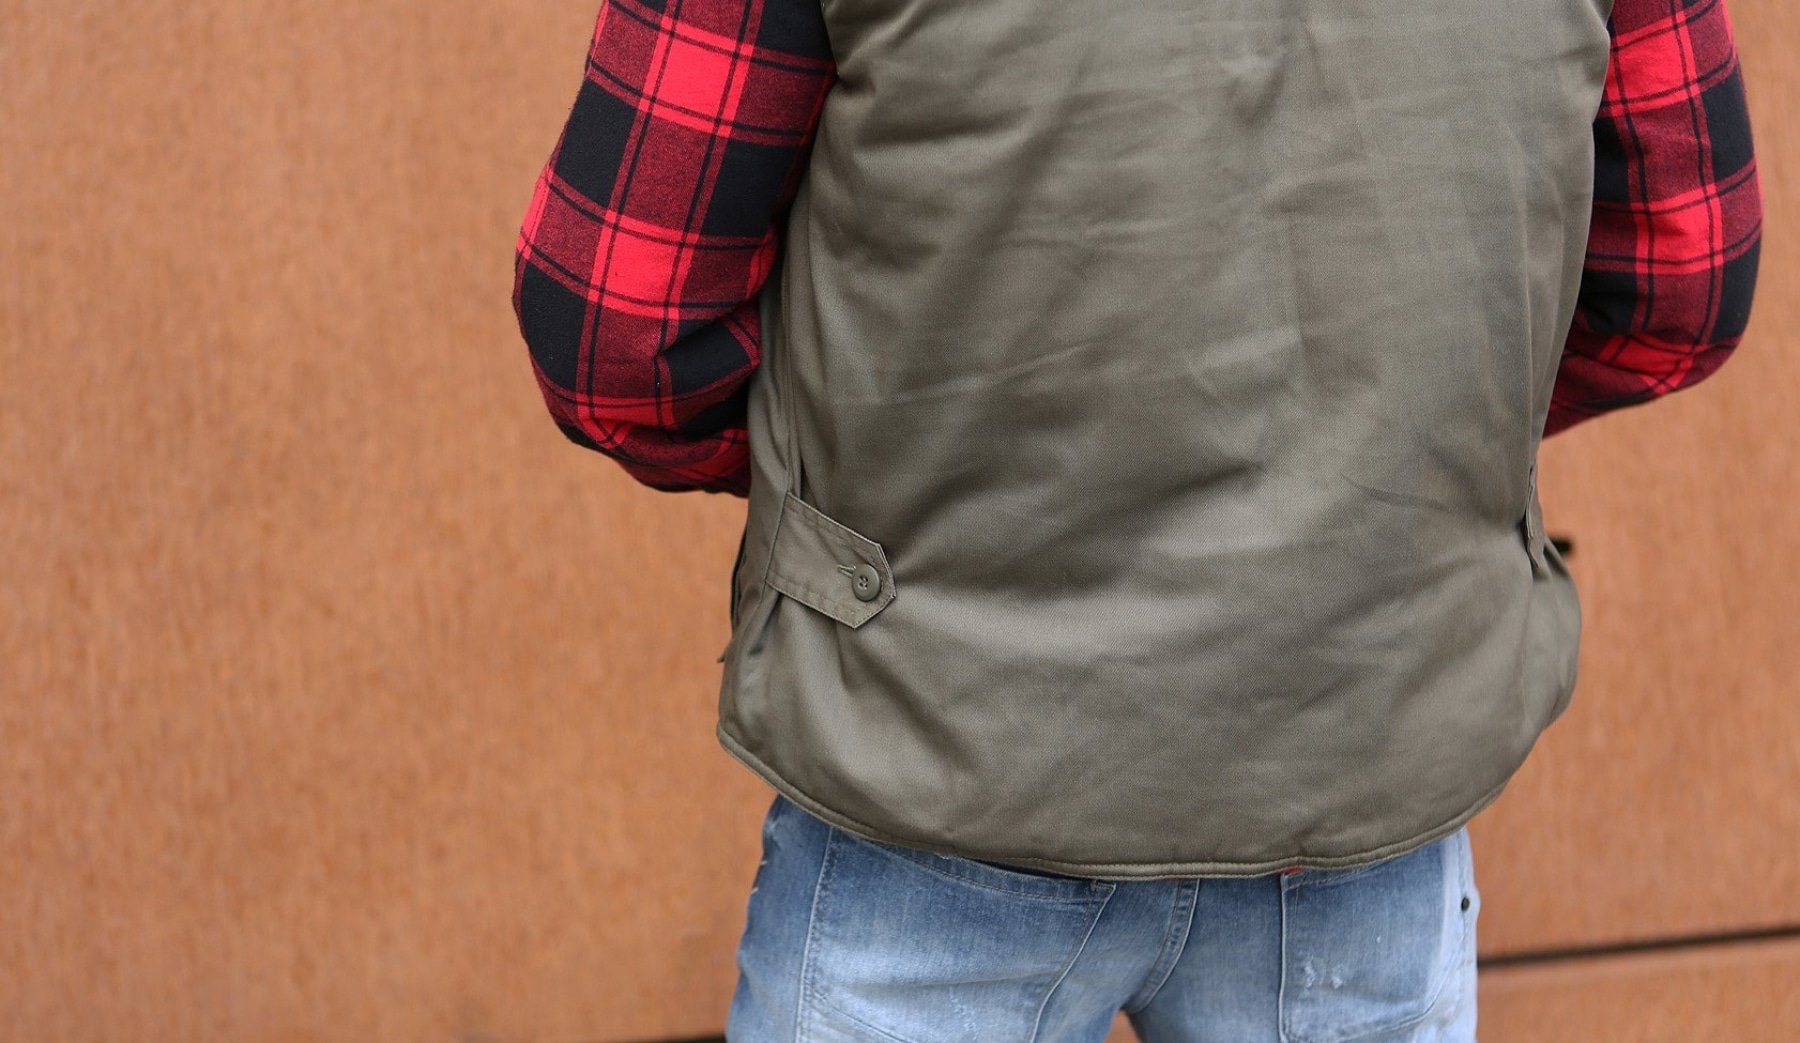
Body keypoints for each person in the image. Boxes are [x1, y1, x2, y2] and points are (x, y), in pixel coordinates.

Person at [511, 0, 1762, 1038]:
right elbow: (1680, 285)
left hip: (936, 744)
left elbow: (619, 336)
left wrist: (895, 490)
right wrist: (1369, 456)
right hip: (1360, 759)